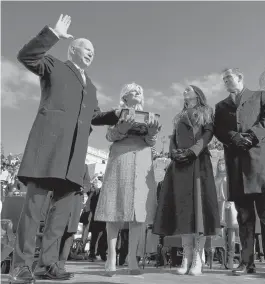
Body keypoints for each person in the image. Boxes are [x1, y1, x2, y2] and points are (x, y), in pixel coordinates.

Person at [10, 15, 120, 283]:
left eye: (94, 51)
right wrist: (53, 34)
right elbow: (26, 56)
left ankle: (46, 265)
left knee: (60, 217)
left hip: (74, 157)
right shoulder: (53, 65)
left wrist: (116, 114)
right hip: (47, 150)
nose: (92, 53)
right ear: (73, 49)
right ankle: (20, 265)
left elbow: (94, 115)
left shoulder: (91, 86)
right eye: (87, 49)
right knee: (34, 211)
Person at [213, 68, 265, 278]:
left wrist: (252, 135)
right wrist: (234, 137)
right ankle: (247, 262)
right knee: (244, 219)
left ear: (240, 78)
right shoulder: (221, 106)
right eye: (223, 79)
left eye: (229, 78)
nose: (226, 81)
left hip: (261, 163)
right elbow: (217, 129)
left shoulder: (259, 96)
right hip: (237, 166)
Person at [153, 85, 220, 276]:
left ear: (197, 94)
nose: (185, 91)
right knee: (183, 210)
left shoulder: (206, 111)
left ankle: (197, 257)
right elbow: (173, 137)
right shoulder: (179, 116)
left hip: (198, 162)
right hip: (180, 165)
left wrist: (193, 151)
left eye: (188, 89)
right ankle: (186, 255)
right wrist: (173, 153)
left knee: (198, 210)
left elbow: (208, 133)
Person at [95, 82, 161, 276]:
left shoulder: (149, 116)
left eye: (140, 91)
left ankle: (133, 257)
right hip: (120, 158)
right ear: (124, 97)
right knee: (113, 206)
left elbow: (151, 142)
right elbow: (109, 136)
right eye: (133, 91)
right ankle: (111, 257)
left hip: (142, 160)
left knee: (138, 211)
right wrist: (121, 130)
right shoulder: (117, 114)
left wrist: (152, 134)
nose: (138, 93)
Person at [214, 158, 239, 269]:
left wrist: (231, 200)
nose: (221, 165)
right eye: (219, 163)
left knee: (232, 234)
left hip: (230, 206)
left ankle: (230, 259)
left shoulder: (230, 177)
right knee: (221, 235)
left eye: (223, 163)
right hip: (219, 208)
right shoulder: (215, 179)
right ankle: (222, 260)